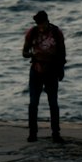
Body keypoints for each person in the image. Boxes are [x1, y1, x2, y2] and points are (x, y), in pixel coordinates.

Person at [22, 9, 66, 143]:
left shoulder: (56, 33)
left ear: (47, 21)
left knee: (53, 103)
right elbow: (24, 52)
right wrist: (32, 55)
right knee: (33, 103)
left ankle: (56, 133)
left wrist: (61, 70)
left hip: (52, 71)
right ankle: (32, 133)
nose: (41, 27)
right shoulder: (32, 32)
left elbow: (62, 53)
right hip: (36, 70)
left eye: (43, 24)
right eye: (38, 24)